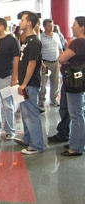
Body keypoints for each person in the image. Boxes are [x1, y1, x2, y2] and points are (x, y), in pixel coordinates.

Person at [14, 11, 44, 155]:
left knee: (31, 114)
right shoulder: (26, 40)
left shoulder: (34, 42)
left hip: (30, 84)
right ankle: (28, 138)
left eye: (23, 20)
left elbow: (32, 64)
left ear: (29, 23)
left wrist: (24, 84)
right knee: (25, 113)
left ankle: (37, 145)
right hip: (25, 82)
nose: (20, 22)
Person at [56, 16, 85, 156]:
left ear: (82, 27)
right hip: (80, 81)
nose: (72, 27)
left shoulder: (78, 43)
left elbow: (61, 58)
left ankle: (76, 147)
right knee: (78, 112)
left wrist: (66, 58)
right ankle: (77, 141)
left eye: (74, 25)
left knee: (76, 115)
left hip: (74, 82)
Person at [0, 18, 20, 139]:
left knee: (8, 105)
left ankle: (9, 130)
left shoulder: (12, 41)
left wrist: (14, 77)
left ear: (1, 27)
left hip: (6, 76)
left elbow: (16, 59)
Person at [39, 19, 63, 107]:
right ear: (44, 26)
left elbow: (60, 48)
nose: (51, 27)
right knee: (43, 82)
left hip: (55, 63)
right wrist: (41, 63)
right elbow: (38, 52)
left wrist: (61, 59)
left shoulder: (56, 36)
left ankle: (54, 99)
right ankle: (41, 100)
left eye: (52, 25)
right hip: (45, 64)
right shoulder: (41, 37)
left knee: (55, 82)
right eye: (49, 25)